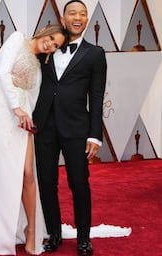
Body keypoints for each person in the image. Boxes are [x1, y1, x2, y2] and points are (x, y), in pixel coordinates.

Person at [0, 24, 67, 255]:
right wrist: (17, 109)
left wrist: (26, 117)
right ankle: (0, 232)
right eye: (52, 39)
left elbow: (32, 98)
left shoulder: (39, 65)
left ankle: (31, 231)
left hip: (22, 117)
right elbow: (3, 72)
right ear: (45, 30)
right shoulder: (17, 39)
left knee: (27, 172)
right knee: (4, 171)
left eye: (56, 46)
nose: (51, 46)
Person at [32, 1, 107, 255]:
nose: (78, 17)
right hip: (44, 127)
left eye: (82, 14)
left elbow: (96, 96)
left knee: (79, 183)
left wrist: (95, 135)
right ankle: (53, 234)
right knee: (46, 182)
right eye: (72, 13)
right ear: (63, 18)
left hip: (77, 128)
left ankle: (84, 238)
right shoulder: (47, 47)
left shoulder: (95, 54)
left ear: (86, 20)